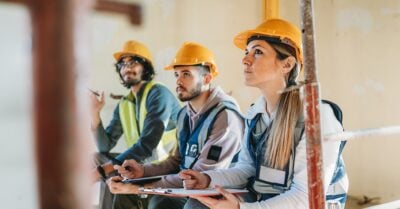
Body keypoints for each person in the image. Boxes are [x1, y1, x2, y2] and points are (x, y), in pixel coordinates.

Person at [179, 18, 349, 209]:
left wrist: (241, 208)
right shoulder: (256, 114)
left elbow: (305, 198)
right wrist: (207, 179)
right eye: (247, 52)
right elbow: (248, 169)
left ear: (287, 64)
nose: (245, 59)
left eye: (258, 52)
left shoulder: (317, 116)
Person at [107, 42, 245, 209]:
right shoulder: (184, 114)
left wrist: (139, 188)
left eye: (186, 74)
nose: (179, 80)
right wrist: (142, 172)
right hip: (188, 186)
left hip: (218, 194)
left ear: (207, 78)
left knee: (165, 202)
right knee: (125, 195)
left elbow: (202, 177)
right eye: (176, 74)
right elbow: (175, 162)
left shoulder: (225, 117)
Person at [90, 40, 181, 209]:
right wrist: (95, 113)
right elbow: (105, 146)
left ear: (145, 67)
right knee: (96, 158)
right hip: (138, 161)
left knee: (110, 169)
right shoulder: (124, 104)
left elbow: (148, 145)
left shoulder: (158, 94)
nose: (127, 67)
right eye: (122, 64)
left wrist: (103, 171)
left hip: (161, 165)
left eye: (133, 62)